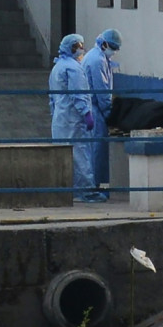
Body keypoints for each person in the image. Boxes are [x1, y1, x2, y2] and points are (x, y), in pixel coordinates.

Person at [49, 33, 106, 203]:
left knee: (64, 155)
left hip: (60, 119)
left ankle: (68, 191)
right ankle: (86, 191)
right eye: (78, 46)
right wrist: (86, 114)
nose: (81, 49)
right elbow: (78, 94)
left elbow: (52, 97)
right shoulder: (73, 68)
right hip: (74, 119)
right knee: (80, 155)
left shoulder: (57, 67)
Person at [81, 28, 122, 193]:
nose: (113, 51)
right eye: (112, 47)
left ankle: (94, 183)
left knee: (93, 148)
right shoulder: (97, 60)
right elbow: (102, 91)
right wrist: (109, 114)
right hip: (96, 109)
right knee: (98, 148)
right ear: (104, 43)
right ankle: (96, 185)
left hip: (93, 107)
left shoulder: (95, 56)